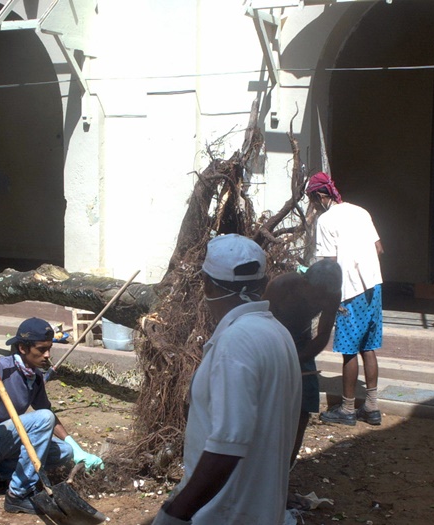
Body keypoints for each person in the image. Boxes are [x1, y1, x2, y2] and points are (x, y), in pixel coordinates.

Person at [153, 233, 302, 525]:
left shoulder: (237, 342)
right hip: (260, 512)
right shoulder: (278, 333)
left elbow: (226, 448)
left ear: (207, 285)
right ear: (262, 284)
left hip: (225, 515)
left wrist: (177, 511)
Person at [0, 317, 104, 515]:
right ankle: (17, 494)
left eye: (49, 348)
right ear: (22, 348)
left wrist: (76, 447)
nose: (47, 355)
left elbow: (50, 415)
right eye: (41, 349)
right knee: (43, 418)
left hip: (7, 443)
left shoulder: (35, 376)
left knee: (64, 452)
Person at [305, 172, 384, 427]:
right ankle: (371, 407)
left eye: (312, 200)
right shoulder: (361, 211)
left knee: (349, 350)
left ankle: (348, 409)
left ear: (318, 195)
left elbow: (329, 266)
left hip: (350, 291)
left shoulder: (326, 220)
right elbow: (379, 248)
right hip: (374, 285)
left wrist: (328, 297)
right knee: (368, 347)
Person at [263, 259, 342, 465]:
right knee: (266, 403)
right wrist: (275, 360)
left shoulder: (332, 294)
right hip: (271, 341)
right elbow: (259, 323)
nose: (319, 301)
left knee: (304, 405)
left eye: (324, 298)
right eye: (316, 294)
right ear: (305, 281)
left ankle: (286, 468)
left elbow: (323, 335)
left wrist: (296, 360)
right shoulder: (281, 287)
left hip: (301, 347)